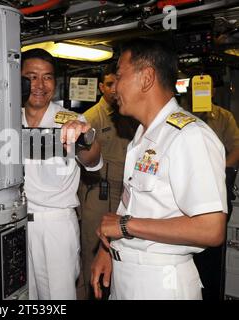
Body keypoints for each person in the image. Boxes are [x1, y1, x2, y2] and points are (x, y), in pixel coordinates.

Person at [90, 38, 227, 300]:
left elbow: (211, 228)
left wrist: (126, 226)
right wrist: (108, 250)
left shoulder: (188, 136)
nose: (114, 86)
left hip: (160, 282)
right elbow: (135, 204)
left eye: (119, 75)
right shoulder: (143, 136)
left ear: (146, 78)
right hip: (127, 273)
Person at [21, 48, 102, 300]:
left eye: (47, 77)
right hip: (15, 221)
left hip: (54, 224)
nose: (40, 85)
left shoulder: (69, 120)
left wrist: (85, 137)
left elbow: (93, 158)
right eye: (32, 77)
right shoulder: (5, 117)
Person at [78, 63, 138, 299]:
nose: (115, 89)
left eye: (118, 82)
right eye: (110, 84)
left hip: (128, 194)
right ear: (101, 87)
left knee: (124, 252)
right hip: (99, 193)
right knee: (93, 251)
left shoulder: (131, 115)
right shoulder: (90, 118)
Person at [186, 74, 239, 300]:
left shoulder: (223, 118)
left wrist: (217, 173)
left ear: (213, 92)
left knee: (211, 255)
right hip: (184, 194)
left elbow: (237, 149)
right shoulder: (179, 116)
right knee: (186, 248)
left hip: (214, 195)